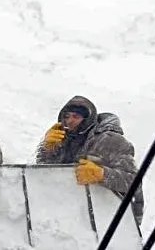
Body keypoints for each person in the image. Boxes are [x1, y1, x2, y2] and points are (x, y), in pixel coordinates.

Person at [35, 95, 144, 225]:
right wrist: (47, 148)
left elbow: (134, 182)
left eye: (76, 117)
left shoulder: (110, 140)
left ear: (88, 119)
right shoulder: (62, 139)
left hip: (113, 220)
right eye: (66, 116)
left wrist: (102, 174)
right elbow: (44, 176)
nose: (69, 121)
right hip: (73, 218)